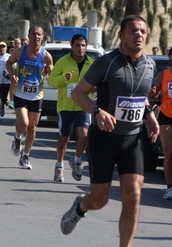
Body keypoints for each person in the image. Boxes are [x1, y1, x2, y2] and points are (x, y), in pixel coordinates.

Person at [60, 15, 159, 247]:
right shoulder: (107, 62)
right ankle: (80, 207)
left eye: (143, 31)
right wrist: (97, 112)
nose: (139, 35)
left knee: (133, 196)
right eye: (133, 30)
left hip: (132, 139)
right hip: (103, 139)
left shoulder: (149, 64)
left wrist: (150, 115)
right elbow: (78, 94)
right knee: (99, 199)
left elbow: (139, 96)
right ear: (121, 35)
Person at [5, 26, 53, 170]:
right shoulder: (20, 52)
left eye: (39, 34)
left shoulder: (46, 56)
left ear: (42, 37)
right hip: (20, 93)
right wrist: (12, 73)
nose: (36, 37)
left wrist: (49, 72)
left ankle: (25, 155)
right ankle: (18, 136)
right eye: (33, 34)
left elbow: (50, 70)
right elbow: (9, 63)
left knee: (32, 128)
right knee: (24, 124)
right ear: (29, 35)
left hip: (37, 95)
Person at [47, 34, 93, 182]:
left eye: (83, 45)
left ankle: (76, 160)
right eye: (77, 45)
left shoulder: (91, 64)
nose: (80, 48)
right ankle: (59, 166)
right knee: (64, 137)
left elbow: (98, 82)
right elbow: (51, 81)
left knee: (84, 136)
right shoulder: (62, 62)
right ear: (72, 47)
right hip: (65, 105)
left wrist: (95, 88)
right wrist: (63, 79)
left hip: (84, 105)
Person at [150, 47, 172, 199]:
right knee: (169, 153)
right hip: (167, 117)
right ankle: (170, 188)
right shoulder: (164, 75)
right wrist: (152, 92)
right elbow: (154, 93)